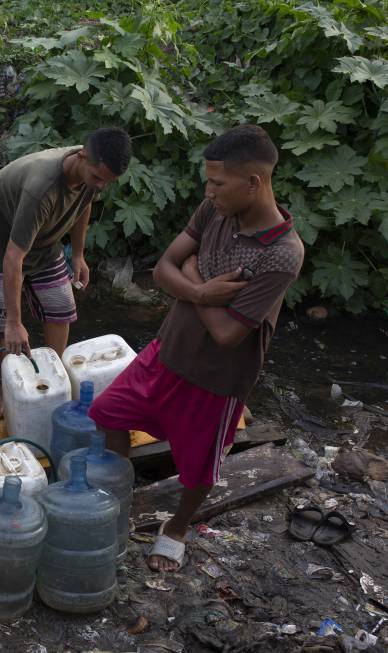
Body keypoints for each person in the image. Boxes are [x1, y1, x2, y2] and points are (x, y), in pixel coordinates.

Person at [87, 125, 304, 572]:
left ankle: (177, 530)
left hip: (216, 379)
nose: (209, 191)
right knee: (108, 413)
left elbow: (228, 335)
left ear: (253, 183)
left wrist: (192, 277)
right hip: (167, 350)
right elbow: (163, 269)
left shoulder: (282, 254)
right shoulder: (215, 210)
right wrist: (205, 293)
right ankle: (120, 497)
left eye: (218, 183)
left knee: (198, 470)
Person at [0, 127, 132, 415]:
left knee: (61, 307)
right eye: (97, 178)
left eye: (107, 182)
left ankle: (53, 378)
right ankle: (2, 383)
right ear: (82, 157)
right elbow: (12, 258)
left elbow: (84, 206)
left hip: (45, 243)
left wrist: (79, 254)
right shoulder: (41, 188)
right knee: (1, 322)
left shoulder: (91, 176)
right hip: (2, 244)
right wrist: (14, 321)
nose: (100, 186)